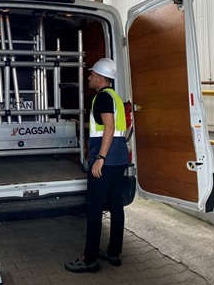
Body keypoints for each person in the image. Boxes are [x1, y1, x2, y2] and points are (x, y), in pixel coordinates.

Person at [65, 58, 129, 273]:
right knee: (116, 205)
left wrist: (100, 157)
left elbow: (108, 127)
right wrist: (79, 124)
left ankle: (89, 258)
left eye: (92, 74)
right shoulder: (114, 97)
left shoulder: (101, 97)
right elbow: (105, 126)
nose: (89, 77)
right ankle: (114, 253)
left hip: (105, 161)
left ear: (101, 78)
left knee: (93, 207)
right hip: (119, 159)